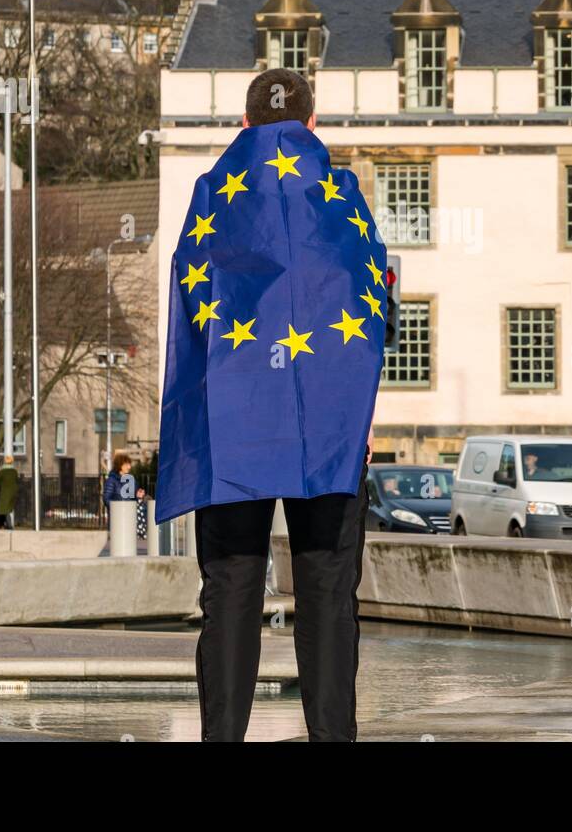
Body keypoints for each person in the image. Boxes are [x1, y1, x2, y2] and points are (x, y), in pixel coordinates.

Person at [159, 67, 384, 743]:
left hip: (235, 421)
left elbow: (190, 306)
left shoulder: (213, 195)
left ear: (244, 123)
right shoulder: (343, 194)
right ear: (313, 123)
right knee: (326, 591)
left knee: (229, 591)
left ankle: (222, 737)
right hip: (328, 427)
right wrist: (358, 415)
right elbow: (377, 307)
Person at [0, 456, 19, 529]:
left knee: (2, 509)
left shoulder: (2, 471)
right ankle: (6, 524)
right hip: (13, 493)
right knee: (8, 509)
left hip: (4, 493)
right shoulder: (14, 471)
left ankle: (7, 525)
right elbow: (16, 481)